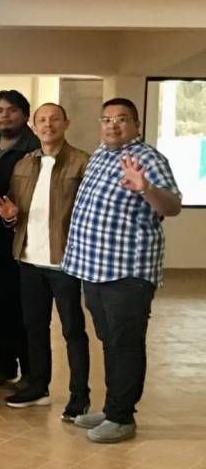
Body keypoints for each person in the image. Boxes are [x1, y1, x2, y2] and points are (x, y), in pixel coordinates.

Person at [62, 98, 181, 444]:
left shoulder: (148, 159)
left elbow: (173, 205)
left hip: (127, 273)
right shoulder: (100, 155)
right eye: (107, 119)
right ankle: (113, 407)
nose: (113, 125)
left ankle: (122, 418)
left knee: (125, 343)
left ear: (136, 125)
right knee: (110, 341)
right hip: (95, 269)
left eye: (122, 119)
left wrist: (146, 188)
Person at [0, 103, 91, 419]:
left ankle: (79, 396)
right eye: (42, 120)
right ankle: (38, 386)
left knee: (73, 330)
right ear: (34, 126)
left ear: (66, 123)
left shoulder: (82, 162)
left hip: (65, 260)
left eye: (54, 119)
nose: (48, 125)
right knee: (34, 326)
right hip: (29, 258)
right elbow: (12, 210)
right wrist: (9, 216)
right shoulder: (25, 163)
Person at [0, 89, 41, 388]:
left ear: (25, 115)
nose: (5, 116)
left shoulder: (37, 149)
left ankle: (30, 369)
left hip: (25, 238)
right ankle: (4, 363)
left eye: (12, 110)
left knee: (23, 307)